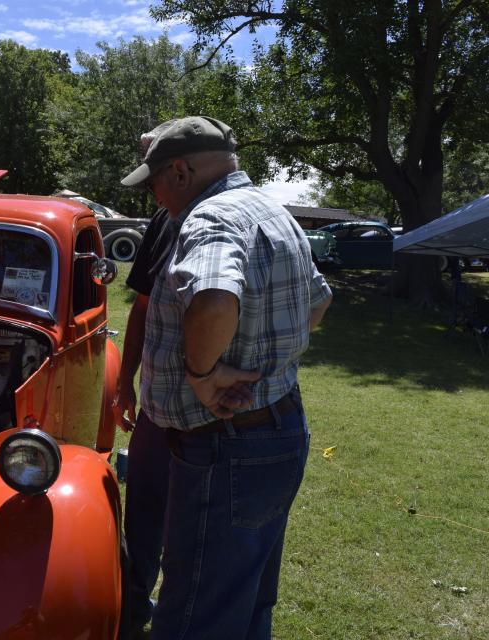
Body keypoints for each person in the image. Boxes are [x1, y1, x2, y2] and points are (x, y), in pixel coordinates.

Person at [120, 116, 332, 639]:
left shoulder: (209, 218)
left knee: (195, 615)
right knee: (247, 598)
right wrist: (264, 356)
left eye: (153, 183)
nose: (152, 196)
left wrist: (203, 373)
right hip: (277, 431)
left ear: (182, 171)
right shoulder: (273, 212)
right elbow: (321, 300)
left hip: (225, 445)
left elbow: (215, 299)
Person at [114, 124, 181, 639]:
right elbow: (139, 304)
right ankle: (134, 604)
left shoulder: (228, 222)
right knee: (143, 511)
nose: (151, 188)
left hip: (206, 412)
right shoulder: (164, 219)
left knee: (192, 520)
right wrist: (124, 381)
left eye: (155, 173)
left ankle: (178, 610)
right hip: (157, 406)